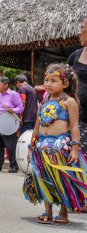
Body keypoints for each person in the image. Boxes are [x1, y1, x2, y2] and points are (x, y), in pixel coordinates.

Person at [25, 63, 87, 224]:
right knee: (44, 179)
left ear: (65, 84)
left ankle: (63, 212)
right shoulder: (44, 101)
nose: (48, 84)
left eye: (53, 81)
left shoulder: (69, 101)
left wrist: (74, 148)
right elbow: (37, 126)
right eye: (46, 80)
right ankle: (47, 210)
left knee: (62, 180)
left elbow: (74, 126)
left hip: (60, 149)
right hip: (41, 148)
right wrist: (31, 146)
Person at [0, 77, 23, 173]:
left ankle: (13, 166)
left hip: (8, 124)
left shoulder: (13, 94)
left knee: (11, 145)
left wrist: (13, 110)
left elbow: (20, 107)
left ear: (6, 85)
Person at [67, 16, 87, 155]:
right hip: (75, 123)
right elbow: (64, 82)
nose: (79, 33)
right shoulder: (75, 55)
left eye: (82, 27)